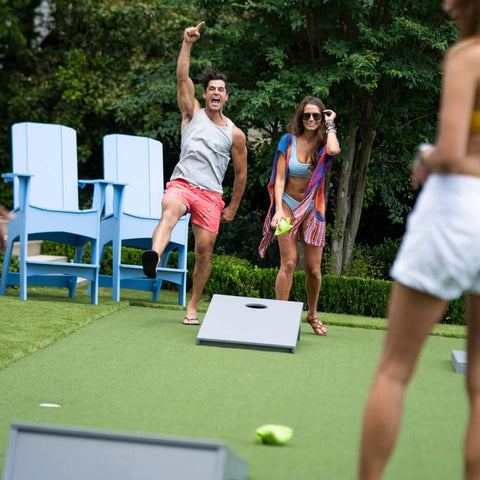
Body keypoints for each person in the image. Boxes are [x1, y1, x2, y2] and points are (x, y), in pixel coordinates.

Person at [359, 0, 480, 478]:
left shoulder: (466, 55)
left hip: (456, 214)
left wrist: (425, 155)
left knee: (394, 369)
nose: (445, 3)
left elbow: (450, 153)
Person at [142, 22, 247, 326]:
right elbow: (181, 76)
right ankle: (154, 257)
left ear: (227, 97)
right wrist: (187, 43)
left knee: (204, 250)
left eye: (221, 91)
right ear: (204, 93)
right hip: (183, 184)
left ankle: (192, 306)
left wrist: (233, 207)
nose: (216, 93)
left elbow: (241, 175)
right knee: (169, 211)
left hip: (211, 195)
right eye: (212, 89)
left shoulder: (235, 134)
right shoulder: (192, 113)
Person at [259, 96, 340, 335]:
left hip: (313, 209)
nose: (312, 119)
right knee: (289, 263)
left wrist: (331, 124)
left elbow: (335, 150)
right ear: (300, 117)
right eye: (307, 115)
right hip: (287, 206)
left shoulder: (325, 144)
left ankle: (312, 313)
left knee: (314, 270)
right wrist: (278, 210)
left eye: (316, 115)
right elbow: (280, 178)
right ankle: (280, 316)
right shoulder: (288, 141)